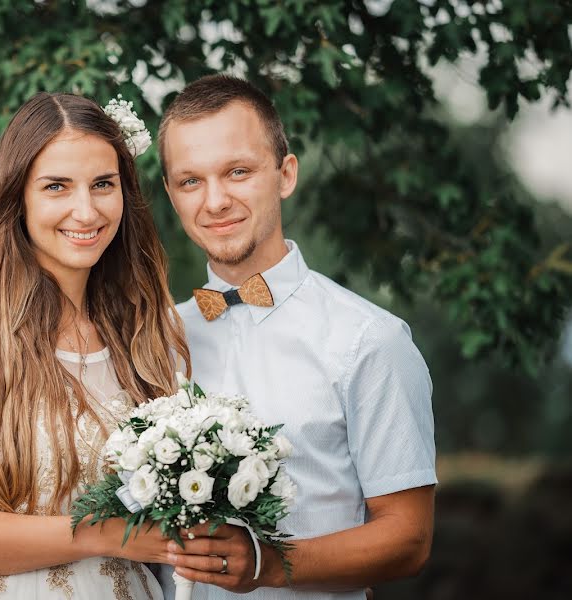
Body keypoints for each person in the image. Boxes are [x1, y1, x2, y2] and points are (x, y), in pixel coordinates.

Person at [156, 75, 437, 600]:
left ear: (285, 174)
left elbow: (409, 537)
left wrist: (267, 562)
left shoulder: (370, 340)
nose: (215, 200)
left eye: (238, 172)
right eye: (190, 181)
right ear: (171, 194)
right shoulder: (155, 339)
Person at [0, 92, 190, 599]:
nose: (86, 210)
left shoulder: (149, 331)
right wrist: (111, 534)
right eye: (57, 186)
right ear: (19, 198)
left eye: (103, 184)